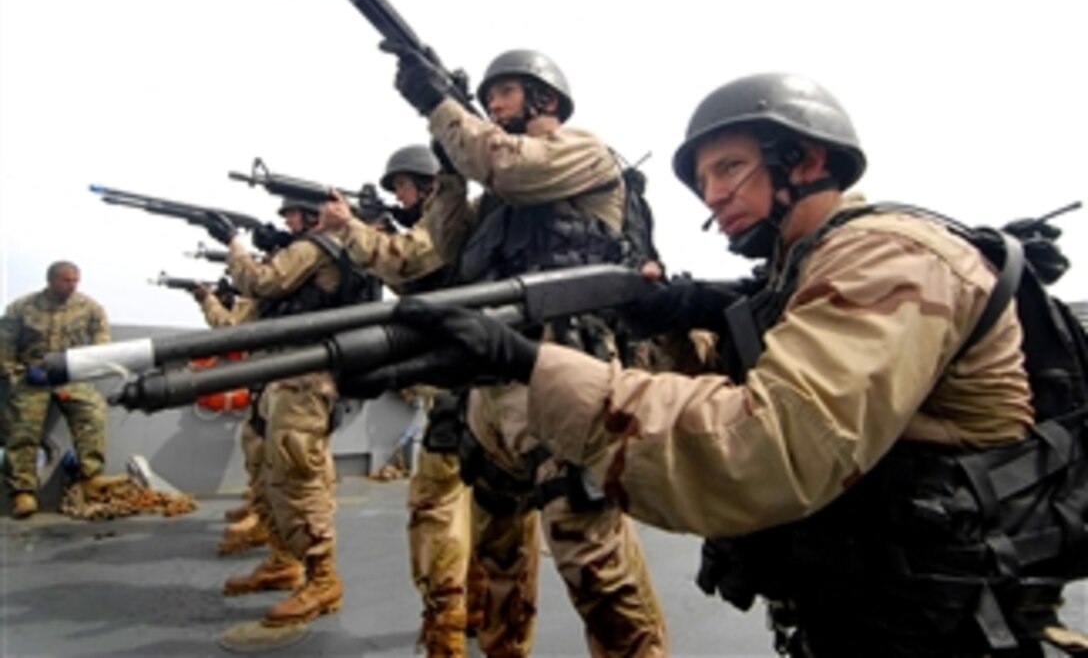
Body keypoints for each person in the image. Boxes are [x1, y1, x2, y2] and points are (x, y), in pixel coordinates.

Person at [383, 72, 1088, 656]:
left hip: (943, 627)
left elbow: (768, 445)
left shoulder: (885, 258)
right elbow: (718, 383)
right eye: (704, 180)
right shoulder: (795, 274)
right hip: (867, 614)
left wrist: (530, 363)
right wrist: (666, 316)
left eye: (730, 169)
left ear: (805, 162)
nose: (713, 195)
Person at [386, 46, 668, 656]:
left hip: (564, 375)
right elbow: (450, 246)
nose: (491, 104)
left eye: (505, 93)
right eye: (487, 97)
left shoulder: (579, 152)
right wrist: (449, 179)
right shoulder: (498, 199)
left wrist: (440, 107)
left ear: (546, 101)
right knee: (496, 556)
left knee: (592, 564)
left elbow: (509, 166)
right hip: (493, 388)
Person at [318, 144, 485, 658]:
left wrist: (349, 226)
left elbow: (407, 261)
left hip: (464, 379)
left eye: (403, 187)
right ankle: (475, 609)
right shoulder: (467, 219)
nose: (399, 195)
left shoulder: (449, 218)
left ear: (427, 183)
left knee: (435, 504)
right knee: (487, 508)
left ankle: (446, 627)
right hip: (476, 371)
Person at [207, 197, 354, 627]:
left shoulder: (315, 248)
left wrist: (233, 241)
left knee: (297, 480)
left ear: (312, 217)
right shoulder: (306, 250)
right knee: (271, 475)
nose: (285, 221)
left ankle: (322, 579)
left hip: (303, 382)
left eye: (292, 214)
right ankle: (282, 561)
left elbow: (259, 282)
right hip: (283, 377)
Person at [1, 261, 110, 519]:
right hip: (32, 375)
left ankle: (91, 477)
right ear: (50, 280)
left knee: (92, 414)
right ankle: (22, 492)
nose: (71, 286)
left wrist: (82, 367)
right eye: (66, 281)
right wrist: (15, 374)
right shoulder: (22, 308)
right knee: (22, 428)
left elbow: (100, 342)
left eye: (75, 281)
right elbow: (4, 345)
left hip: (70, 374)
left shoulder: (90, 308)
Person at [188, 283, 268, 557]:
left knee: (266, 449)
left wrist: (207, 300)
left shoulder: (271, 287)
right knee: (253, 443)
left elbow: (229, 329)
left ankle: (265, 516)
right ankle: (259, 504)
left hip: (278, 381)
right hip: (268, 380)